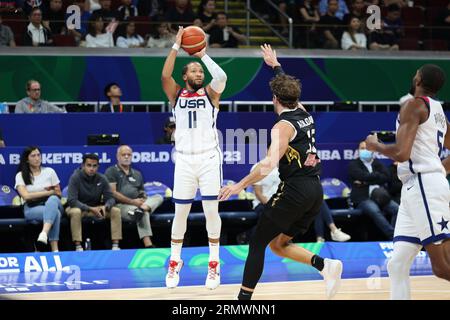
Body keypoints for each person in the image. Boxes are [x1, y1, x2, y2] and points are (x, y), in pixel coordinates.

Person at [219, 44, 343, 300]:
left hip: (294, 191)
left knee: (257, 242)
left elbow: (267, 165)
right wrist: (275, 66)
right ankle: (325, 265)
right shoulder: (304, 113)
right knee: (278, 244)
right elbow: (287, 89)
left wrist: (239, 185)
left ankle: (243, 300)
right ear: (295, 98)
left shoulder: (282, 127)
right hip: (314, 191)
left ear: (274, 99)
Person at [365, 64, 450, 300]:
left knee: (442, 267)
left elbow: (402, 153)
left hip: (424, 185)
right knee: (397, 263)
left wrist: (375, 146)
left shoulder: (413, 105)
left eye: (416, 73)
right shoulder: (438, 110)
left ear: (419, 79)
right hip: (416, 186)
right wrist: (439, 171)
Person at [161, 26, 227, 290]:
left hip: (209, 159)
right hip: (185, 160)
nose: (199, 73)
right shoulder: (176, 93)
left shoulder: (211, 94)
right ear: (185, 75)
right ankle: (175, 262)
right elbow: (165, 74)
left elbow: (221, 75)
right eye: (194, 70)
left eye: (200, 71)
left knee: (212, 212)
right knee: (181, 213)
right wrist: (177, 46)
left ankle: (214, 264)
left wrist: (202, 55)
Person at [105, 145, 164, 248]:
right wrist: (133, 202)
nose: (126, 157)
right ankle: (148, 244)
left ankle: (143, 208)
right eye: (124, 155)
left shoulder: (137, 173)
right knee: (142, 213)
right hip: (120, 206)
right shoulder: (111, 171)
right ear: (118, 156)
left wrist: (143, 197)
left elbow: (141, 191)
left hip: (138, 204)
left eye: (129, 155)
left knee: (158, 196)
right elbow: (113, 192)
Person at [66, 153, 122, 251]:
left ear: (98, 166)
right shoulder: (75, 177)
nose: (92, 168)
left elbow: (111, 198)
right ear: (83, 166)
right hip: (79, 208)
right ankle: (78, 246)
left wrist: (106, 206)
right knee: (75, 212)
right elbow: (72, 201)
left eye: (94, 166)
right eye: (89, 165)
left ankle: (115, 246)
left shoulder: (102, 178)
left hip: (97, 208)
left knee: (115, 210)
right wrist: (90, 208)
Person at [14, 146, 63, 252]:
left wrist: (51, 194)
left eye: (38, 155)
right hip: (32, 207)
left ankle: (44, 232)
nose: (37, 158)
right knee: (56, 213)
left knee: (53, 200)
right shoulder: (21, 175)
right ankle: (55, 250)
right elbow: (26, 196)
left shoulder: (50, 171)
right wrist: (48, 192)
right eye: (33, 156)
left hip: (51, 203)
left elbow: (58, 193)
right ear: (27, 159)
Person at [348, 141, 398, 239]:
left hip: (380, 197)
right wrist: (376, 178)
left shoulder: (377, 163)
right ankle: (392, 236)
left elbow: (386, 176)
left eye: (367, 148)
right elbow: (360, 175)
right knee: (375, 210)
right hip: (363, 198)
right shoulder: (353, 164)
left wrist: (365, 182)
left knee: (397, 209)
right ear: (358, 151)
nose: (364, 150)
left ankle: (397, 234)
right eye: (362, 148)